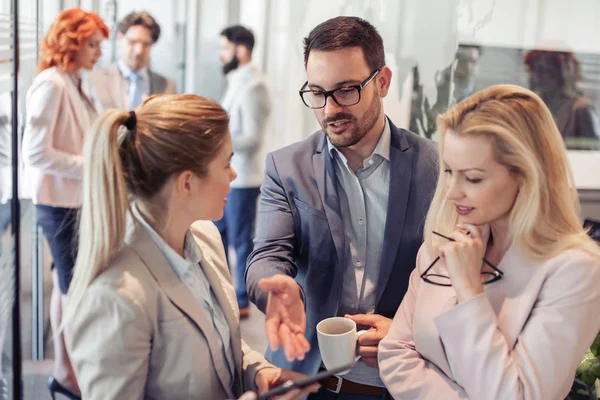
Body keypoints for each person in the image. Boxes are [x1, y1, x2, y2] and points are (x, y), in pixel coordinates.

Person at [64, 94, 318, 400]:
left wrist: (258, 371)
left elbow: (220, 343)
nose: (233, 175)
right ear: (186, 183)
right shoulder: (115, 297)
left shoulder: (205, 237)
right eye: (226, 164)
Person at [245, 16, 438, 399]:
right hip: (306, 381)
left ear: (382, 81)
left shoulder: (435, 166)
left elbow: (457, 281)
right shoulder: (287, 167)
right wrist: (278, 289)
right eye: (317, 92)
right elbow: (267, 255)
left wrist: (406, 329)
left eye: (346, 90)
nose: (330, 109)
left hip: (401, 382)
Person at [378, 84, 600, 400]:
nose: (452, 191)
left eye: (473, 178)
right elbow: (395, 351)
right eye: (448, 171)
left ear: (526, 175)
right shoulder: (445, 238)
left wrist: (470, 291)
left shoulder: (576, 269)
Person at [21, 8, 108, 399]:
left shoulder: (74, 82)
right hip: (59, 205)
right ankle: (72, 374)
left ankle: (65, 370)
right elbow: (36, 153)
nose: (98, 53)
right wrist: (90, 165)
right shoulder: (50, 84)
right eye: (92, 45)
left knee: (65, 286)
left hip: (73, 202)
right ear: (71, 43)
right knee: (74, 289)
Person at [215, 25, 272, 319]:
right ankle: (224, 294)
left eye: (224, 48)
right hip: (227, 175)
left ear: (241, 49)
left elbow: (252, 138)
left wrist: (215, 142)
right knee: (219, 235)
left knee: (241, 241)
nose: (220, 55)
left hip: (244, 179)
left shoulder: (254, 85)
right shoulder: (236, 80)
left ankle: (243, 300)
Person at [86, 11, 176, 112]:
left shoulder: (167, 86)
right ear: (120, 37)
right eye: (132, 42)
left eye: (146, 44)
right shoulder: (94, 81)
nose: (139, 51)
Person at [525, 49, 600, 150]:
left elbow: (591, 149)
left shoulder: (579, 109)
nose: (540, 77)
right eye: (535, 70)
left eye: (546, 70)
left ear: (560, 73)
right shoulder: (531, 107)